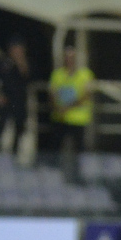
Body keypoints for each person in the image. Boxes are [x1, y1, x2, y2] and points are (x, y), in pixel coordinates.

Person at [48, 43, 94, 178]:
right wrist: (58, 108)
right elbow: (52, 94)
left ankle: (77, 175)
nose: (69, 60)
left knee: (78, 151)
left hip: (78, 120)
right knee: (56, 149)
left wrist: (67, 108)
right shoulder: (57, 74)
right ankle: (54, 174)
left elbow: (86, 95)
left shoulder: (85, 75)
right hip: (60, 118)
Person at [0, 37, 30, 154]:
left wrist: (22, 64)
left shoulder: (24, 63)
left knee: (19, 128)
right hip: (5, 100)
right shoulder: (2, 63)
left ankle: (15, 154)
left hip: (19, 101)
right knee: (0, 128)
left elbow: (28, 79)